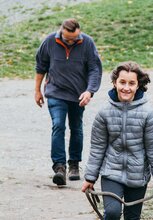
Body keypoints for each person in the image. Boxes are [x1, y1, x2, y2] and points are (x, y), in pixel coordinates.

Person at [81, 61, 153, 220]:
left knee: (132, 217)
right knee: (113, 212)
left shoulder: (148, 114)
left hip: (137, 175)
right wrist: (90, 177)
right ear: (115, 82)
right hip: (111, 173)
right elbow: (97, 147)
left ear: (138, 85)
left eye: (131, 83)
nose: (126, 88)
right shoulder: (104, 112)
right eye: (122, 82)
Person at [35, 18, 102, 186]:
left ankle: (74, 164)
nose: (71, 41)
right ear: (61, 31)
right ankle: (59, 167)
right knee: (58, 125)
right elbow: (41, 66)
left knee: (76, 127)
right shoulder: (50, 41)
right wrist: (37, 90)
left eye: (74, 38)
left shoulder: (87, 43)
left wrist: (90, 91)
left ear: (79, 32)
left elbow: (95, 68)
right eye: (67, 38)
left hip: (78, 95)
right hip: (55, 93)